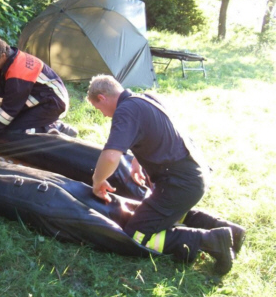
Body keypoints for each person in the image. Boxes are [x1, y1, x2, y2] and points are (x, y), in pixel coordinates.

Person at [86, 74, 245, 275]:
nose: (103, 115)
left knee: (136, 234)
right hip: (194, 174)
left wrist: (97, 181)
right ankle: (232, 231)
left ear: (102, 97)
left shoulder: (125, 110)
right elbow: (159, 129)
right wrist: (137, 161)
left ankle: (211, 240)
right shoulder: (146, 99)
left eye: (99, 109)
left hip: (180, 183)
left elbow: (110, 157)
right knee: (170, 210)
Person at [0, 35, 77, 149]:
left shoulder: (18, 71)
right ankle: (47, 125)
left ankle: (57, 128)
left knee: (15, 132)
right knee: (5, 125)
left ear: (2, 55)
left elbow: (10, 108)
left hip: (53, 102)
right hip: (38, 98)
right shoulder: (4, 64)